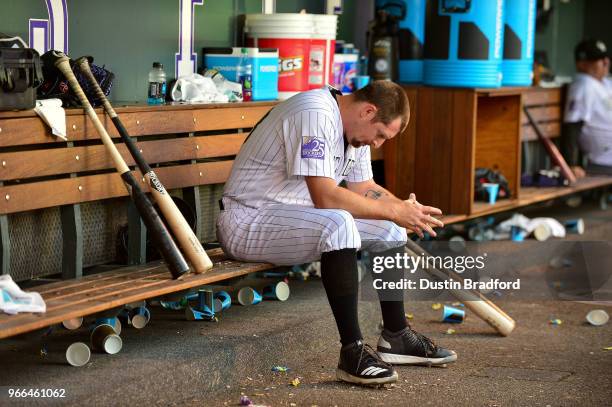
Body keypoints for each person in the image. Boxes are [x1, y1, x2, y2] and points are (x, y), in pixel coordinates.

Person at [216, 81, 456, 386]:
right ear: (368, 111)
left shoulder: (355, 132)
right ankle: (352, 352)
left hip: (292, 219)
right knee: (338, 223)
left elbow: (364, 189)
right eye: (380, 134)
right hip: (247, 221)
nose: (378, 143)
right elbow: (325, 198)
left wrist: (404, 210)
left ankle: (397, 336)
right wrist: (394, 209)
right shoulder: (315, 113)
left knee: (389, 227)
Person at [563, 39, 612, 176]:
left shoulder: (606, 83)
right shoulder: (584, 85)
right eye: (598, 60)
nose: (606, 62)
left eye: (605, 58)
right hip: (604, 160)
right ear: (582, 64)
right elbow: (572, 127)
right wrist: (570, 165)